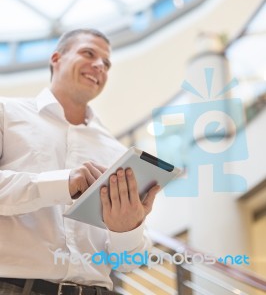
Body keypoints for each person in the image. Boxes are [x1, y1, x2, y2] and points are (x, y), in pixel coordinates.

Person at [0, 28, 160, 295]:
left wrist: (127, 229)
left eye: (107, 63)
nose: (100, 66)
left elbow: (128, 264)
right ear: (56, 58)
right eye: (89, 53)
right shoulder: (6, 113)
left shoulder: (117, 151)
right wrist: (63, 183)